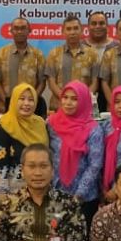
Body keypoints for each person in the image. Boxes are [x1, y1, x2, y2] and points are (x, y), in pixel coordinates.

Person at [46, 81, 104, 227]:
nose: (68, 103)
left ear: (83, 101)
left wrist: (79, 194)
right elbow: (47, 155)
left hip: (85, 198)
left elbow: (95, 165)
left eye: (74, 99)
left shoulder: (93, 129)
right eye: (65, 97)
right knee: (55, 237)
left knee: (81, 238)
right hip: (55, 193)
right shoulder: (51, 123)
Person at [0, 82, 49, 195]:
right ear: (14, 100)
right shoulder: (5, 125)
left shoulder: (40, 123)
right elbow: (1, 163)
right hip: (15, 191)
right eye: (22, 99)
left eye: (31, 99)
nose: (26, 103)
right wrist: (1, 193)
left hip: (41, 187)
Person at [0, 16, 46, 115]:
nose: (19, 31)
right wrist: (7, 101)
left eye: (23, 28)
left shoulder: (38, 55)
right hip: (6, 107)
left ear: (29, 30)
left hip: (30, 109)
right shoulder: (1, 53)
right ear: (11, 31)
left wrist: (32, 100)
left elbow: (42, 82)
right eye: (16, 28)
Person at [45, 14, 99, 111]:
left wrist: (81, 99)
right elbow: (51, 82)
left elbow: (95, 82)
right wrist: (66, 100)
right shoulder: (54, 54)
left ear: (81, 30)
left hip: (84, 107)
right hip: (58, 107)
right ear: (63, 31)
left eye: (75, 28)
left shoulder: (92, 54)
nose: (72, 32)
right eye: (69, 29)